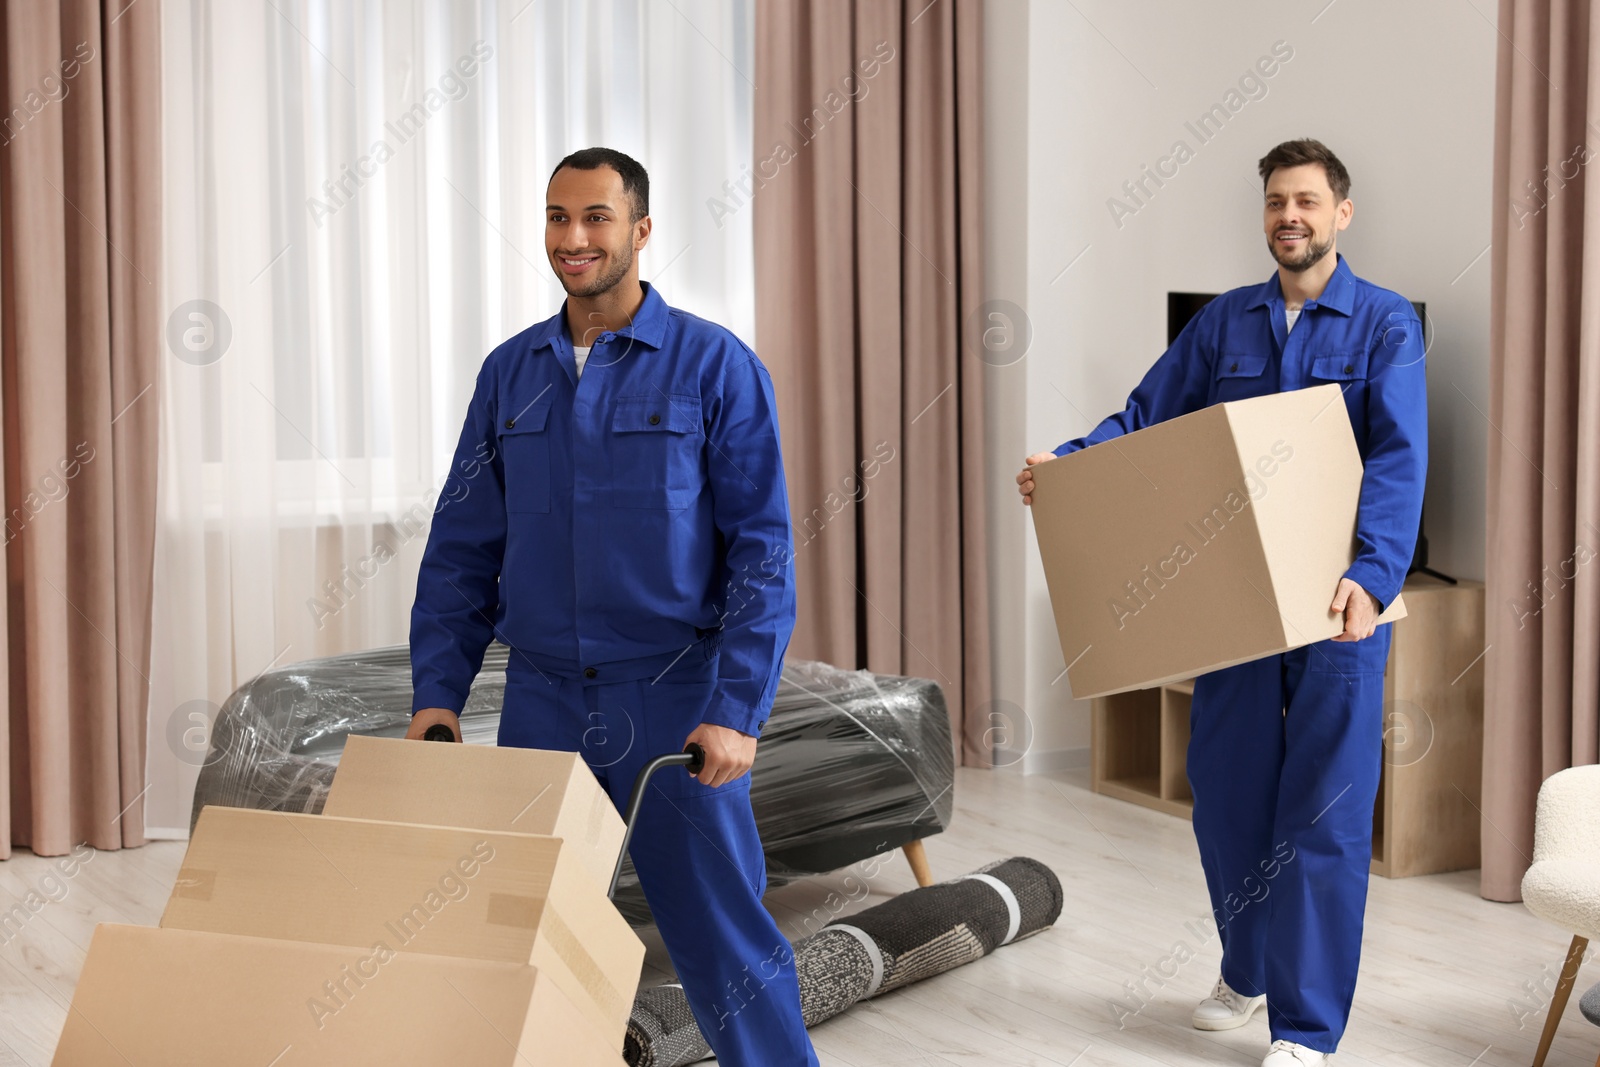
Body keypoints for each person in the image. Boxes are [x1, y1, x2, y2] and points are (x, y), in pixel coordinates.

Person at [1017, 139, 1426, 1067]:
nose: (1291, 215)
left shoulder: (1387, 326)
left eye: (1308, 201)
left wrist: (1373, 577)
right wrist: (1071, 467)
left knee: (1321, 812)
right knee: (1229, 800)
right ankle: (1246, 972)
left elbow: (1400, 463)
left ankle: (1307, 1030)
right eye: (1277, 201)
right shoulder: (1225, 324)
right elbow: (1146, 416)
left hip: (1337, 608)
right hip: (1235, 601)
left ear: (1341, 214)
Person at [407, 147, 818, 1066]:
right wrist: (437, 690)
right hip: (543, 699)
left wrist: (735, 708)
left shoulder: (716, 366)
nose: (573, 238)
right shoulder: (510, 374)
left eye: (595, 217)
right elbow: (463, 543)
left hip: (672, 699)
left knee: (722, 941)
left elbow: (762, 550)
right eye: (558, 217)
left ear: (639, 230)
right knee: (528, 936)